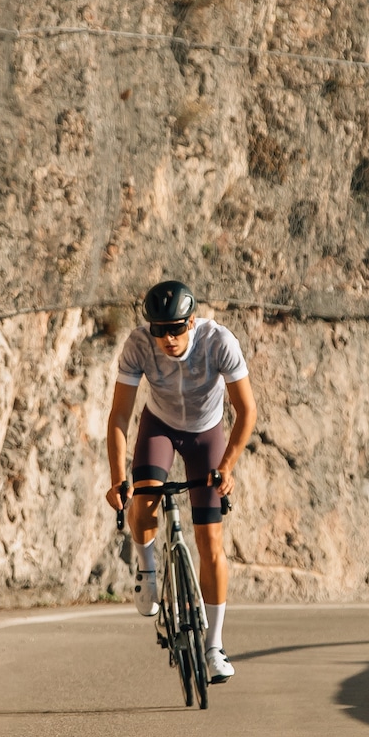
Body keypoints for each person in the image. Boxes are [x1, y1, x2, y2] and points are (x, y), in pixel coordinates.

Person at [104, 278, 255, 683]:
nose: (167, 339)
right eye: (158, 330)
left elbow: (246, 411)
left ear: (191, 323)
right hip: (160, 427)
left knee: (211, 543)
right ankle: (147, 570)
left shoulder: (219, 342)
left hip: (207, 433)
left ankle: (214, 647)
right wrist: (119, 479)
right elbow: (119, 418)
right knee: (144, 499)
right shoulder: (138, 346)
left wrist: (229, 465)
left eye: (175, 329)